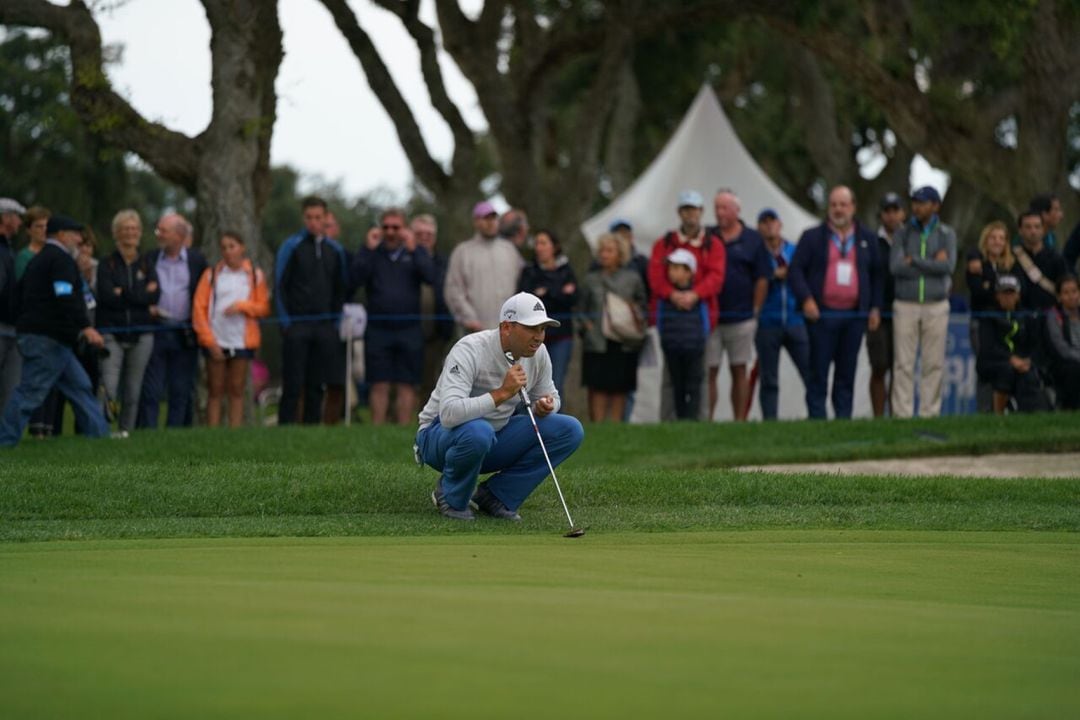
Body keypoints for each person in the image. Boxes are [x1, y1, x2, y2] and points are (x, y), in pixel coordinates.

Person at [415, 292, 584, 522]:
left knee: (570, 429)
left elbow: (551, 396)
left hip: (492, 437)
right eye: (531, 328)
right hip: (438, 438)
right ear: (506, 328)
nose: (539, 337)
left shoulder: (538, 354)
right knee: (479, 431)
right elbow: (448, 415)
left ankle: (495, 496)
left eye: (542, 329)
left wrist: (546, 406)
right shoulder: (469, 348)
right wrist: (502, 393)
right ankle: (450, 494)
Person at [0, 215, 110, 447]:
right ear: (60, 235)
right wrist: (85, 327)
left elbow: (18, 297)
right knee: (31, 392)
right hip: (47, 339)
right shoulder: (60, 259)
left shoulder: (39, 260)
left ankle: (100, 437)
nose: (80, 239)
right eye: (75, 234)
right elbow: (65, 296)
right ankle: (4, 441)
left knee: (80, 386)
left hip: (49, 338)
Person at [789, 185, 882, 419]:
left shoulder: (868, 239)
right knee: (818, 373)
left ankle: (843, 421)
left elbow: (878, 275)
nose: (838, 209)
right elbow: (796, 271)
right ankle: (817, 421)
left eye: (843, 204)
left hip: (853, 317)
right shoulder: (812, 237)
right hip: (822, 316)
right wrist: (807, 299)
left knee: (846, 373)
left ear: (853, 207)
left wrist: (874, 307)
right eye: (834, 205)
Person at [350, 207, 437, 425]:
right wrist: (367, 249)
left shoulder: (415, 252)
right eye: (386, 227)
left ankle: (402, 429)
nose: (390, 232)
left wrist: (414, 249)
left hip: (409, 329)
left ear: (404, 228)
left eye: (396, 227)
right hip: (378, 329)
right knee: (379, 383)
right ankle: (377, 430)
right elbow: (353, 280)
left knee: (407, 384)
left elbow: (431, 277)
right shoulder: (372, 252)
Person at [647, 191, 726, 419]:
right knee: (670, 376)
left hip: (702, 318)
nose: (690, 214)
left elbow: (716, 277)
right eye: (686, 209)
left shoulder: (714, 245)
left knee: (699, 374)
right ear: (679, 213)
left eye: (694, 209)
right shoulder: (664, 244)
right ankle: (669, 420)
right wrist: (672, 294)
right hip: (671, 319)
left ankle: (699, 420)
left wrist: (694, 294)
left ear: (701, 212)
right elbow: (655, 276)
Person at [275, 196, 349, 425]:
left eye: (318, 217)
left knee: (317, 383)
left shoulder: (335, 250)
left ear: (326, 218)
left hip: (324, 327)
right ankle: (285, 427)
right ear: (303, 218)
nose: (314, 222)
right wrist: (286, 324)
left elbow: (341, 288)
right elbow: (279, 286)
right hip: (297, 326)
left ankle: (311, 428)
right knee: (293, 383)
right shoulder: (292, 245)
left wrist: (334, 323)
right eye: (309, 217)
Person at [889, 186, 957, 418]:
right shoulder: (902, 233)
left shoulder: (946, 234)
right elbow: (895, 267)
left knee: (933, 363)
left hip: (936, 304)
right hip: (905, 303)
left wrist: (915, 260)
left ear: (935, 206)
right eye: (915, 202)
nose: (917, 207)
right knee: (903, 364)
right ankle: (902, 414)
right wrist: (931, 263)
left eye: (923, 202)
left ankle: (930, 412)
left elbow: (948, 267)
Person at [192, 231, 270, 427]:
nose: (228, 251)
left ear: (242, 247)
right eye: (224, 247)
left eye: (232, 246)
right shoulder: (211, 275)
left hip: (242, 339)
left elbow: (263, 307)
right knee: (215, 389)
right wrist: (209, 341)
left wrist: (242, 306)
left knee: (237, 388)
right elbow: (199, 309)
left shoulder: (254, 275)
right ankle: (213, 432)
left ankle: (234, 432)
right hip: (216, 338)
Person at [137, 212, 208, 428]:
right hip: (156, 329)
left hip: (184, 332)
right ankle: (148, 431)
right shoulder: (149, 259)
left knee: (181, 388)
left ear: (179, 235)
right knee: (152, 388)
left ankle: (174, 433)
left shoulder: (197, 260)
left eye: (163, 231)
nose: (158, 234)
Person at [707, 189, 769, 421]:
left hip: (742, 318)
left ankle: (739, 420)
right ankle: (707, 419)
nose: (719, 213)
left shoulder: (753, 239)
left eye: (724, 208)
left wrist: (755, 310)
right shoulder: (708, 236)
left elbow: (762, 278)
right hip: (713, 318)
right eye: (717, 208)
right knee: (709, 371)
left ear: (736, 210)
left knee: (739, 369)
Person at [95, 210, 160, 434]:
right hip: (113, 332)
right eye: (126, 229)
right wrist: (140, 295)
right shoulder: (107, 263)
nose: (131, 233)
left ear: (140, 233)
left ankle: (125, 432)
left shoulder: (146, 263)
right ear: (117, 233)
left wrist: (124, 292)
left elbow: (155, 295)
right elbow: (107, 296)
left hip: (142, 334)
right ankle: (102, 431)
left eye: (134, 229)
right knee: (109, 388)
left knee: (133, 391)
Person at [580, 233, 647, 422]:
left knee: (620, 386)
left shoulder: (632, 278)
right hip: (597, 341)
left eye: (609, 251)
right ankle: (598, 426)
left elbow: (643, 305)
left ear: (620, 253)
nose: (604, 255)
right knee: (597, 385)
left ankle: (616, 426)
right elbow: (580, 308)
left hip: (623, 341)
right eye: (601, 250)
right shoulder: (591, 279)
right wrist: (586, 326)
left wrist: (633, 313)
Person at [754, 208, 810, 420]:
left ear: (780, 225)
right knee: (769, 379)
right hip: (768, 322)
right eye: (764, 222)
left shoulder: (795, 251)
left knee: (809, 371)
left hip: (795, 320)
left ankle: (817, 415)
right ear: (759, 227)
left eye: (772, 221)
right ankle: (770, 421)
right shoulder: (757, 254)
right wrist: (771, 276)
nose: (769, 226)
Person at [444, 201, 523, 333]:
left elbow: (520, 284)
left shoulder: (509, 250)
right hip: (475, 332)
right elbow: (454, 289)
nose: (490, 222)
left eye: (493, 218)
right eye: (486, 218)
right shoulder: (463, 252)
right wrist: (470, 319)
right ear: (476, 222)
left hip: (507, 331)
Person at [517, 228, 578, 398]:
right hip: (531, 339)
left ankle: (554, 421)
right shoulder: (528, 271)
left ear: (554, 247)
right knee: (528, 383)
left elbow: (573, 299)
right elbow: (526, 300)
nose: (539, 247)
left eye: (543, 243)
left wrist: (547, 292)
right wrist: (560, 292)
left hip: (561, 337)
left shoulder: (567, 270)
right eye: (536, 243)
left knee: (555, 384)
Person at [966, 220, 1018, 412]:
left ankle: (1003, 412)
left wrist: (990, 286)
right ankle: (984, 411)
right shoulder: (977, 263)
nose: (997, 242)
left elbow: (1017, 295)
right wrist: (998, 293)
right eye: (993, 238)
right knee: (985, 367)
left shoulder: (1011, 265)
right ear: (985, 240)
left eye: (1001, 238)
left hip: (1005, 324)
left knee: (1004, 366)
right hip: (981, 324)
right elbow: (978, 292)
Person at [975, 275, 1042, 414]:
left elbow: (1034, 344)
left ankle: (1028, 418)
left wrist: (1027, 361)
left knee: (1029, 374)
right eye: (1004, 293)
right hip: (993, 363)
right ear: (997, 296)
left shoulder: (1026, 316)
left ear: (1018, 295)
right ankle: (998, 417)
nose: (1007, 297)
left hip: (1021, 362)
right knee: (1006, 371)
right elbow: (988, 347)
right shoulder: (988, 316)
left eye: (1011, 293)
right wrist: (1011, 359)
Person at [656, 248, 708, 420]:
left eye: (677, 268)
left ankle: (692, 418)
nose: (672, 272)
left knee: (694, 384)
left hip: (694, 348)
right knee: (677, 385)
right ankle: (680, 418)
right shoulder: (665, 299)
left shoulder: (698, 297)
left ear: (689, 272)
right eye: (671, 268)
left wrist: (701, 342)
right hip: (672, 347)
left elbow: (705, 323)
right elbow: (660, 323)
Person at [867, 192, 904, 417]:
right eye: (887, 211)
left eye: (895, 211)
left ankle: (897, 415)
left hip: (905, 311)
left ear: (903, 213)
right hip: (878, 313)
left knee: (900, 369)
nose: (891, 216)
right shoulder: (872, 242)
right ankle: (879, 417)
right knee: (879, 366)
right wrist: (874, 307)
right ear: (881, 215)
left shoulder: (909, 240)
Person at [412, 214, 454, 401]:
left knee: (431, 378)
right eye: (419, 233)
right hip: (410, 327)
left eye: (428, 234)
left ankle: (424, 418)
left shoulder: (443, 261)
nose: (424, 237)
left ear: (435, 237)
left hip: (437, 329)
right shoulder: (406, 258)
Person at [0, 197, 26, 413]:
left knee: (11, 386)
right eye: (17, 217)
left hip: (12, 326)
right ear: (6, 218)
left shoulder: (8, 249)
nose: (19, 222)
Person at [1014, 210, 1068, 312]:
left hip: (1051, 317)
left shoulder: (1056, 258)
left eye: (1037, 226)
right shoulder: (1012, 258)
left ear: (1043, 229)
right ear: (1020, 230)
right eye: (1028, 227)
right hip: (1021, 317)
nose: (1033, 231)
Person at [1046, 275, 1080, 410]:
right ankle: (1071, 408)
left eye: (1074, 291)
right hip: (1064, 363)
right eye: (1066, 293)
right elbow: (1061, 348)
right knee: (1074, 369)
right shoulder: (1054, 315)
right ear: (1059, 297)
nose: (1071, 296)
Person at [14, 205, 50, 279]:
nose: (44, 230)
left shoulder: (54, 253)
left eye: (47, 226)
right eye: (39, 226)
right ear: (28, 230)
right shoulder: (23, 257)